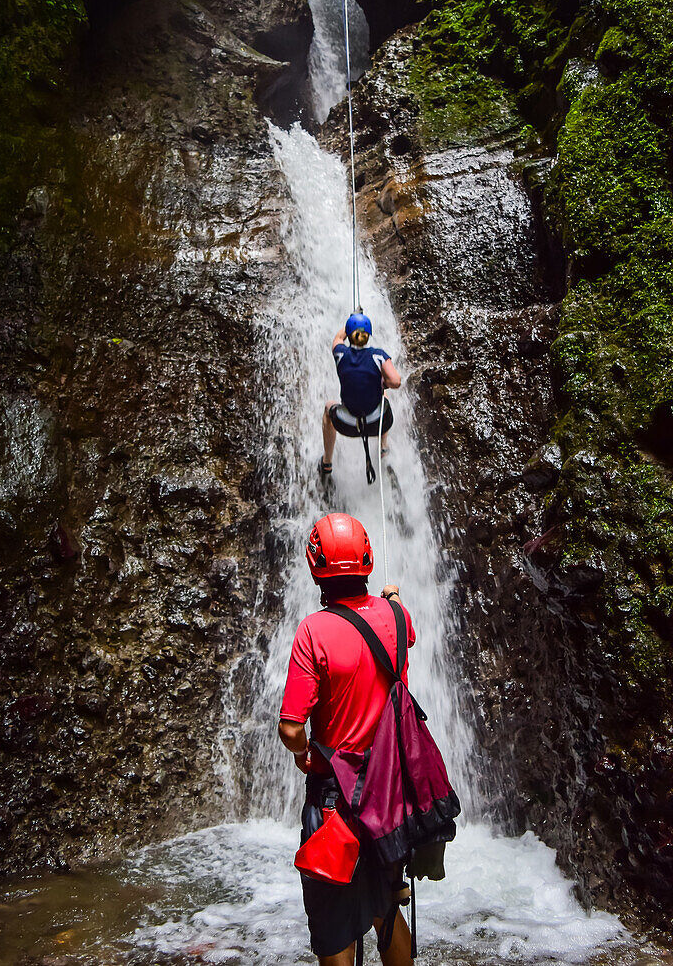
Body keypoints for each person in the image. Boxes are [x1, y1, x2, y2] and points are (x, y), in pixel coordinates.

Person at [279, 512, 414, 966]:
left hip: (335, 801)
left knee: (335, 923)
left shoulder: (313, 631)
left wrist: (302, 755)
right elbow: (400, 630)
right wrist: (392, 599)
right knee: (387, 910)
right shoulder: (397, 616)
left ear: (314, 566)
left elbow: (292, 727)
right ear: (367, 560)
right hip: (390, 796)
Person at [320, 313, 401, 480]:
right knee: (383, 395)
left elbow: (338, 337)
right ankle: (383, 447)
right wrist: (383, 382)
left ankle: (327, 462)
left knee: (329, 407)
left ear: (350, 334)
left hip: (347, 425)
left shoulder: (340, 354)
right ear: (368, 335)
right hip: (377, 423)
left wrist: (351, 320)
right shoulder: (378, 355)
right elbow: (396, 381)